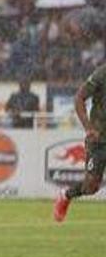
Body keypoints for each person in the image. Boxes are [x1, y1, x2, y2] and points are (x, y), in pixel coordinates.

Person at [53, 62, 106, 222]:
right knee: (91, 187)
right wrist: (89, 128)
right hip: (99, 139)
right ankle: (66, 195)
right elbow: (79, 98)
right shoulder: (102, 74)